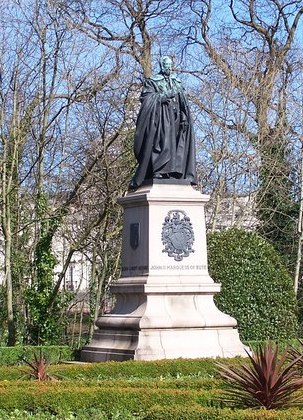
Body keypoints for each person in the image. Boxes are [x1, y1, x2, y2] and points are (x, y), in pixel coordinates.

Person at [129, 56, 197, 189]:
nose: (168, 68)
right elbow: (146, 98)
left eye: (170, 66)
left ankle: (174, 171)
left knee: (178, 146)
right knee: (162, 143)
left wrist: (184, 116)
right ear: (161, 66)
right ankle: (159, 170)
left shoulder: (177, 82)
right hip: (162, 118)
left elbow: (183, 101)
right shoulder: (153, 81)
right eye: (166, 66)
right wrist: (162, 97)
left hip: (177, 118)